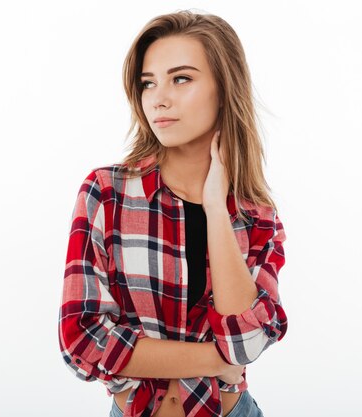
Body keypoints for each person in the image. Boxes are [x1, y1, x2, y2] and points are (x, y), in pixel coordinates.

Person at [57, 10, 288, 417]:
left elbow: (246, 344)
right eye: (149, 83)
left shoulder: (256, 216)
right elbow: (82, 339)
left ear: (224, 87)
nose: (158, 97)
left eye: (181, 78)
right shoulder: (107, 193)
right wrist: (216, 362)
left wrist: (216, 208)